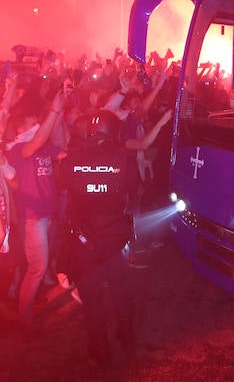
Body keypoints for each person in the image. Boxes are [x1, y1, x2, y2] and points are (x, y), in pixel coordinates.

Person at [63, 109, 137, 368]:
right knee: (120, 290)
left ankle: (101, 351)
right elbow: (134, 193)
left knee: (93, 299)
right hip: (116, 241)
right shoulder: (124, 159)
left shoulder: (70, 161)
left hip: (84, 244)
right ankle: (126, 338)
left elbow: (60, 188)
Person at [3, 90, 67, 329]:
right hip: (33, 219)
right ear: (20, 129)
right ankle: (25, 317)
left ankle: (29, 306)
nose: (38, 126)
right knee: (37, 268)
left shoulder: (42, 146)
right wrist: (54, 110)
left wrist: (58, 115)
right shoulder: (16, 149)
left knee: (42, 264)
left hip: (48, 214)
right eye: (33, 123)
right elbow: (37, 141)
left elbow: (61, 148)